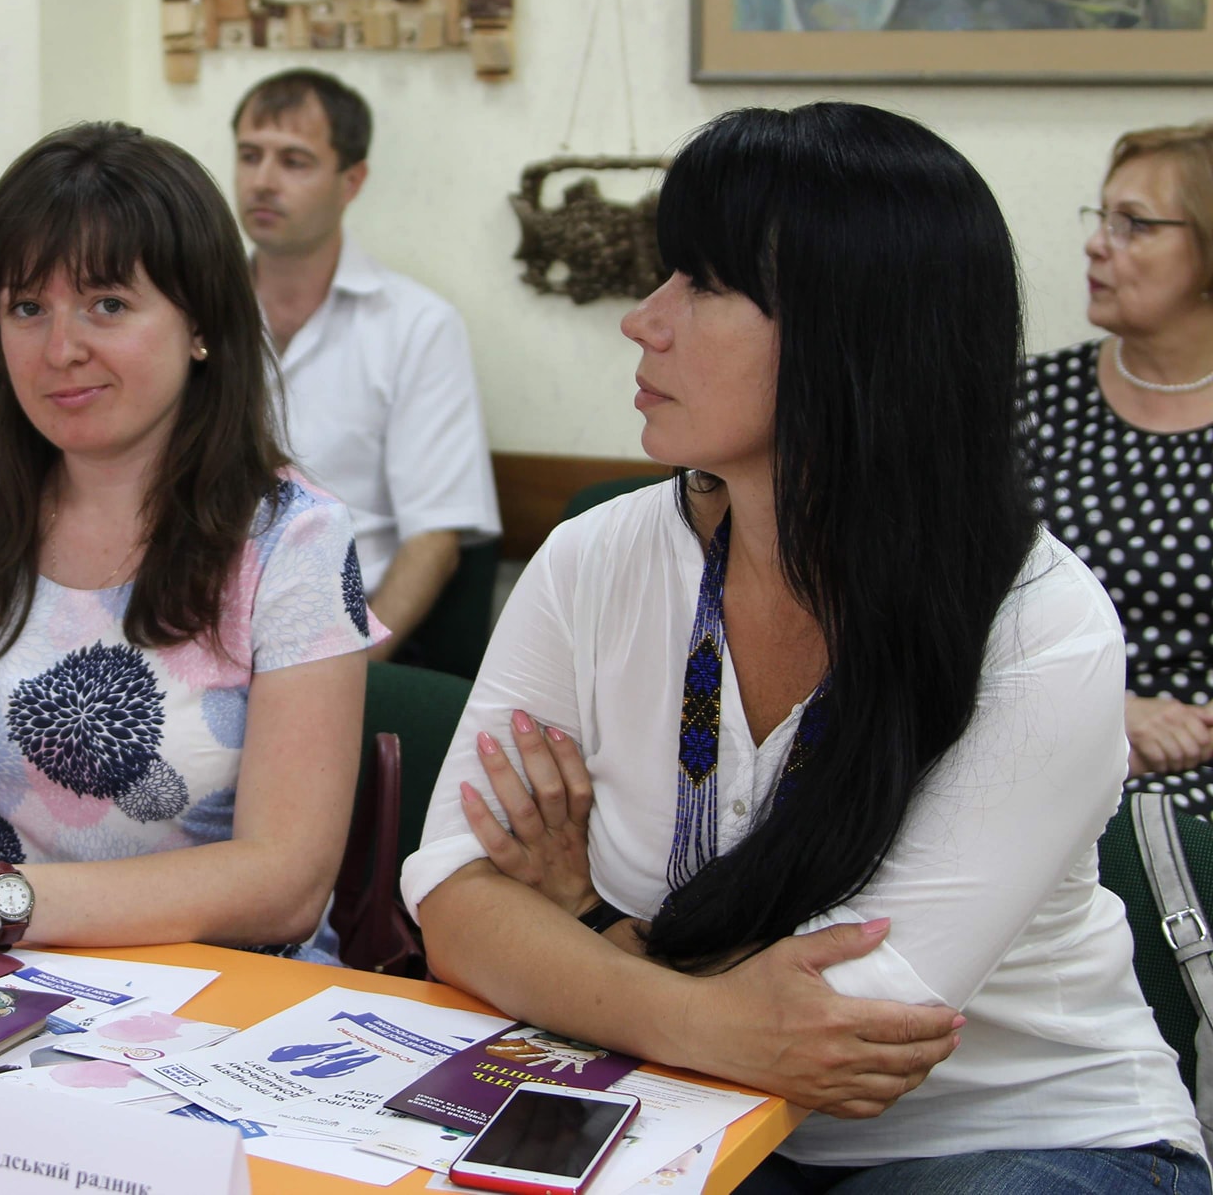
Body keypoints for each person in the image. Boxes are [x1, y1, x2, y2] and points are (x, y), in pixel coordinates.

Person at [402, 105, 1205, 1191]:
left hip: (1007, 1138)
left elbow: (852, 1031)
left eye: (702, 284)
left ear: (854, 333)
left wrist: (583, 922)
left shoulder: (1038, 623)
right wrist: (693, 1014)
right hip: (684, 1102)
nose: (642, 321)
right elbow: (454, 894)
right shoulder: (596, 556)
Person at [0, 122, 380, 958]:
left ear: (200, 322)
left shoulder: (293, 540)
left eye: (108, 305)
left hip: (224, 999)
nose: (60, 350)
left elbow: (285, 884)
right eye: (28, 308)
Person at [232, 68, 500, 660]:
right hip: (205, 630)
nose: (262, 181)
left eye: (294, 161)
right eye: (250, 156)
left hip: (351, 641)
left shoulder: (416, 326)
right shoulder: (194, 315)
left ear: (351, 181)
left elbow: (434, 542)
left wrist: (346, 671)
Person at [1022, 122, 1213, 815]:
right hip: (1038, 742)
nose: (1097, 244)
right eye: (1102, 218)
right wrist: (1113, 711)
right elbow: (948, 602)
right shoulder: (1028, 401)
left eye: (1134, 224)